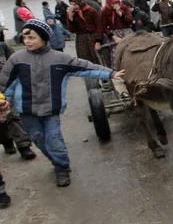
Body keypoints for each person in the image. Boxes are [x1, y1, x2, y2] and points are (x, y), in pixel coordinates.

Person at [0, 19, 124, 187]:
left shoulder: (59, 58)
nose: (27, 42)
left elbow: (85, 67)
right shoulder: (17, 59)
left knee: (54, 139)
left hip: (51, 109)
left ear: (44, 38)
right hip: (27, 111)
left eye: (32, 38)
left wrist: (110, 74)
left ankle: (62, 167)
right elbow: (5, 83)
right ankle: (54, 159)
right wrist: (3, 102)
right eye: (25, 38)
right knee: (38, 140)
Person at [0, 41, 37, 160]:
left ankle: (24, 146)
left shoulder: (3, 47)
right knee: (1, 120)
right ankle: (7, 141)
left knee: (13, 114)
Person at [67, 0, 102, 64]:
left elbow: (99, 26)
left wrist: (98, 41)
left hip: (92, 37)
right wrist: (70, 18)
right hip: (81, 39)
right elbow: (72, 30)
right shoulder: (73, 14)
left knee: (96, 57)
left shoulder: (91, 11)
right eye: (71, 5)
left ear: (80, 3)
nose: (73, 7)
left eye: (75, 4)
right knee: (84, 59)